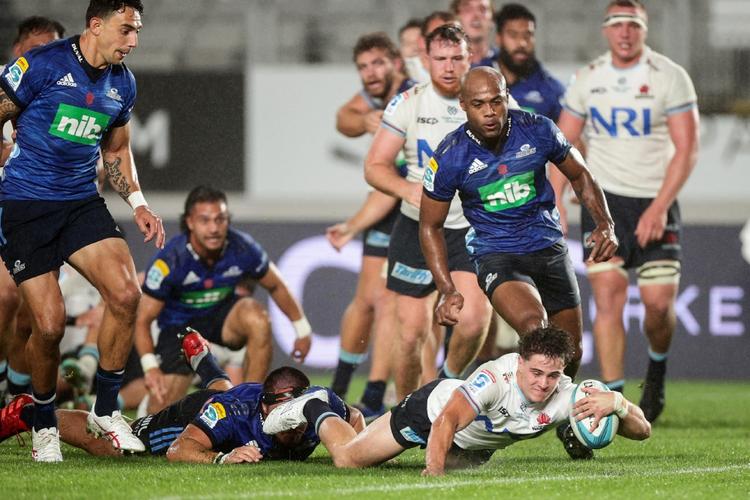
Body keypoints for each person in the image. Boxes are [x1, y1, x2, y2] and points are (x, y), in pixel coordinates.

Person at [0, 0, 165, 461]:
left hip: (80, 203)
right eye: (126, 30)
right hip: (26, 207)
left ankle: (106, 411)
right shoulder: (43, 65)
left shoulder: (123, 84)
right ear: (96, 25)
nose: (133, 41)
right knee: (48, 327)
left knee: (126, 294)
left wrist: (138, 202)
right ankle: (44, 422)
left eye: (137, 32)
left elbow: (115, 150)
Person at [550, 0, 699, 423]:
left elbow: (687, 149)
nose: (625, 32)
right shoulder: (588, 79)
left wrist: (660, 206)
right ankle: (615, 402)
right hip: (604, 202)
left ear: (644, 29)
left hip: (655, 200)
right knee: (608, 299)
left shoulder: (670, 76)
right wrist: (556, 196)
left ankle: (656, 369)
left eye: (633, 24)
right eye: (617, 24)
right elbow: (563, 143)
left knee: (657, 306)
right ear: (605, 31)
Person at [262, 326, 651, 475]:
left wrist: (617, 403)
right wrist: (434, 473)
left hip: (471, 449)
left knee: (469, 469)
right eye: (535, 373)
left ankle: (357, 420)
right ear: (519, 364)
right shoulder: (495, 378)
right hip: (430, 414)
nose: (542, 384)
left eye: (552, 375)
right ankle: (313, 404)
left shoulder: (565, 393)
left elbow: (643, 431)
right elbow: (447, 419)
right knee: (347, 459)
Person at [364, 25, 497, 401]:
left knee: (473, 320)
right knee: (409, 333)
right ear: (425, 61)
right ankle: (409, 414)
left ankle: (444, 386)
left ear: (471, 59)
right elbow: (374, 166)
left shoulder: (492, 101)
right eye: (441, 58)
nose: (449, 67)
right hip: (417, 225)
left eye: (457, 58)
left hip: (469, 226)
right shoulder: (408, 103)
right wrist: (410, 190)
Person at [0, 330, 365, 463]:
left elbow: (356, 421)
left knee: (226, 396)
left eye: (295, 416)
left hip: (233, 400)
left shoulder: (321, 403)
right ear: (266, 408)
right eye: (280, 416)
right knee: (116, 444)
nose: (291, 425)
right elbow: (180, 450)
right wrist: (222, 459)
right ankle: (33, 413)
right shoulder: (235, 412)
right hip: (192, 417)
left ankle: (204, 362)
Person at [136, 186, 312, 414]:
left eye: (220, 220)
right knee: (158, 412)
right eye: (205, 220)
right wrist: (150, 368)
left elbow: (276, 284)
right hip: (180, 332)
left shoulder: (242, 247)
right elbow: (142, 319)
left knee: (256, 317)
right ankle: (148, 408)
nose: (214, 228)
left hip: (222, 324)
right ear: (190, 222)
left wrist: (302, 328)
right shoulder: (170, 260)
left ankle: (252, 408)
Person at [328, 32, 415, 418]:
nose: (370, 72)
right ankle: (339, 389)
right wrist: (364, 119)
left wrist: (350, 226)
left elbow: (392, 186)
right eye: (363, 66)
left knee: (389, 303)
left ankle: (378, 394)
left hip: (410, 208)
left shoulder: (411, 99)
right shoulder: (377, 99)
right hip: (388, 207)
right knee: (365, 301)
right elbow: (342, 119)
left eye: (378, 63)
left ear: (397, 63)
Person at [0, 16, 67, 404]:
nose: (43, 57)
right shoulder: (6, 87)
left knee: (34, 314)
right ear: (17, 52)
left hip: (44, 209)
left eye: (50, 49)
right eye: (34, 50)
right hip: (8, 206)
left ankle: (17, 392)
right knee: (7, 298)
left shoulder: (62, 89)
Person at [493, 3, 566, 121]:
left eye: (528, 35)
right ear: (499, 39)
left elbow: (566, 137)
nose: (522, 43)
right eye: (513, 35)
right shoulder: (476, 74)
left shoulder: (552, 90)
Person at [450, 0, 497, 67]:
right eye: (468, 9)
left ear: (492, 19)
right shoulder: (447, 65)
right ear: (456, 17)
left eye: (482, 9)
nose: (476, 15)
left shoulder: (505, 63)